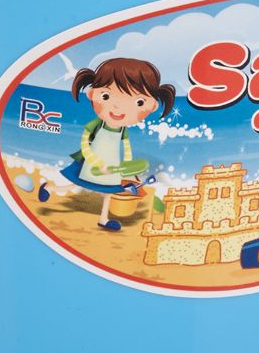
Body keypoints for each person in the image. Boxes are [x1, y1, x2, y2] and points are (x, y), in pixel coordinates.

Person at [63, 57, 175, 231]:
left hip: (111, 164)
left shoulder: (122, 130)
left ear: (152, 106)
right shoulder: (97, 124)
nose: (118, 107)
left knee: (108, 191)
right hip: (92, 162)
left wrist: (127, 167)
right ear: (92, 94)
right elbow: (85, 143)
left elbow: (127, 148)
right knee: (74, 184)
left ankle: (103, 219)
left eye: (139, 102)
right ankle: (49, 187)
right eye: (106, 96)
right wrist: (96, 161)